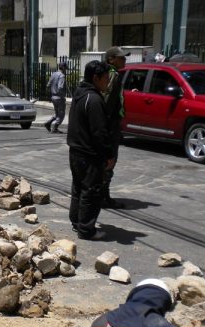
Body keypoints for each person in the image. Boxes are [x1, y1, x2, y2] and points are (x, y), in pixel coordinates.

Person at [66, 60, 114, 241]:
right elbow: (99, 132)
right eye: (106, 78)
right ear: (96, 78)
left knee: (78, 188)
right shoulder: (93, 99)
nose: (108, 82)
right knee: (91, 190)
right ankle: (86, 229)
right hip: (89, 154)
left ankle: (77, 221)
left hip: (75, 151)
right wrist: (108, 155)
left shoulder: (80, 94)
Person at [102, 46, 130, 209]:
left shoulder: (111, 73)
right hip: (110, 124)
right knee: (109, 160)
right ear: (111, 59)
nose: (124, 60)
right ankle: (103, 196)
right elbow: (107, 100)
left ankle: (102, 194)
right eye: (121, 57)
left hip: (111, 123)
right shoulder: (112, 75)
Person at [44, 61, 68, 134]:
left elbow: (48, 85)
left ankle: (48, 123)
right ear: (63, 68)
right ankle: (55, 128)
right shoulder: (62, 76)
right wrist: (62, 95)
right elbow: (60, 87)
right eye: (65, 68)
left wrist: (52, 92)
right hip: (59, 97)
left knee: (57, 113)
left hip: (53, 97)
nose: (66, 70)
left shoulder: (53, 74)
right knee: (61, 114)